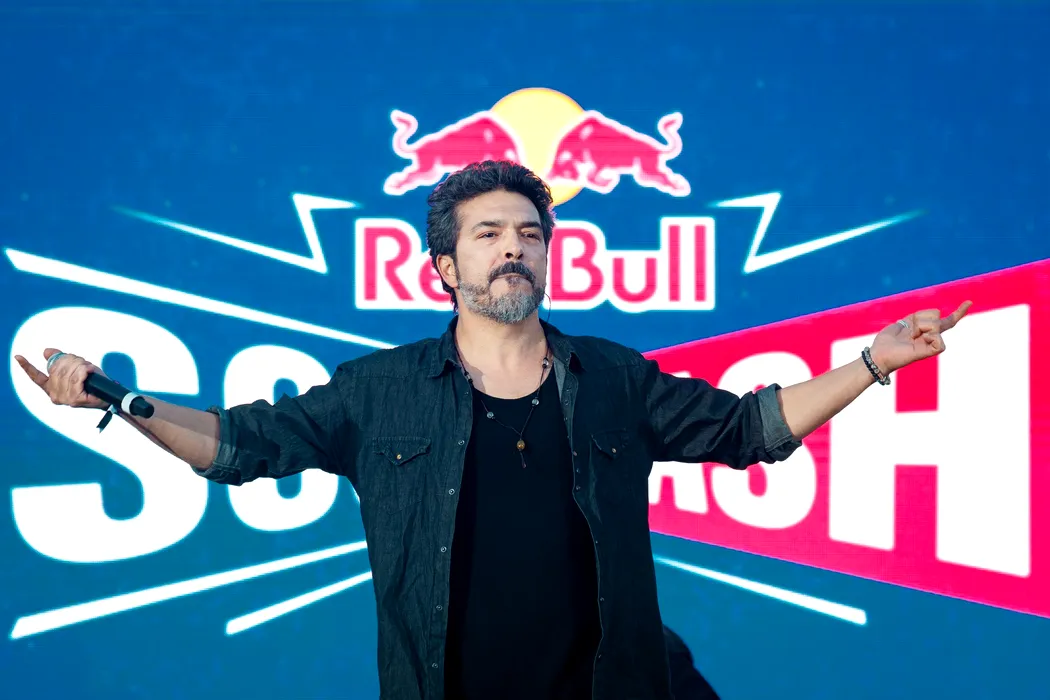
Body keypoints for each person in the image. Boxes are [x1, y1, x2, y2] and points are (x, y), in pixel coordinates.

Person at [15, 160, 971, 700]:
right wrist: (120, 402)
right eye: (488, 234)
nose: (514, 247)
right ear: (444, 268)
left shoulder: (613, 377)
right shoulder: (378, 392)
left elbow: (749, 428)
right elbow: (239, 444)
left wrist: (874, 360)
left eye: (529, 234)